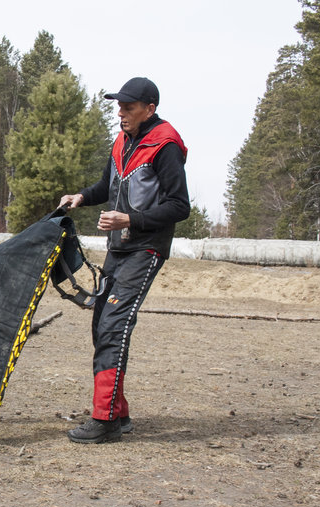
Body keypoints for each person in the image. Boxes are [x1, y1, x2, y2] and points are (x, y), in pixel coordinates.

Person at [58, 77, 189, 444]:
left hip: (146, 249)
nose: (121, 113)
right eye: (119, 106)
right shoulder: (122, 140)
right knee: (103, 323)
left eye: (128, 107)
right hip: (119, 248)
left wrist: (129, 220)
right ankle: (118, 412)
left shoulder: (166, 145)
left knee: (114, 324)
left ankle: (105, 421)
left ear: (149, 108)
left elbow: (180, 206)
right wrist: (81, 197)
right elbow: (107, 186)